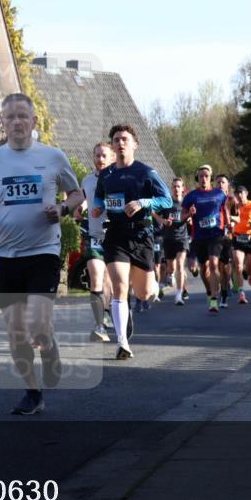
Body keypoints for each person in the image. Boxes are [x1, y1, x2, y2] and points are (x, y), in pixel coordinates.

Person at [0, 93, 82, 415]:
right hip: (4, 256)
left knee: (38, 324)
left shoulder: (53, 156)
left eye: (22, 116)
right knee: (16, 332)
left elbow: (76, 194)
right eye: (10, 117)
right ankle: (33, 393)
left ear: (33, 122)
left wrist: (61, 209)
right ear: (3, 123)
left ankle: (50, 347)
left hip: (42, 251)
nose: (16, 122)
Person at [91, 125, 171, 359]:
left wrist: (144, 203)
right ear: (113, 146)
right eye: (116, 140)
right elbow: (99, 194)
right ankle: (122, 343)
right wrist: (98, 206)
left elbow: (166, 201)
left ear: (134, 144)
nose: (120, 143)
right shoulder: (106, 175)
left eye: (125, 139)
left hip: (141, 235)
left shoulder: (146, 172)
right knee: (119, 287)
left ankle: (152, 286)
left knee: (144, 293)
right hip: (115, 234)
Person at [181, 165, 231, 314]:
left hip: (216, 235)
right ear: (198, 178)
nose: (203, 178)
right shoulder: (191, 196)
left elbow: (225, 210)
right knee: (203, 269)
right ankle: (210, 291)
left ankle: (214, 300)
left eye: (206, 176)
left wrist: (229, 225)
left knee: (214, 264)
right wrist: (189, 214)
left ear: (211, 178)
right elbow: (182, 217)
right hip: (199, 236)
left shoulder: (219, 194)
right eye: (201, 176)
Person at [78, 142, 115, 342]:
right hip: (93, 234)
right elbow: (84, 199)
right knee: (95, 277)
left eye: (104, 156)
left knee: (109, 279)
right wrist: (80, 207)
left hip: (114, 235)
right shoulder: (87, 180)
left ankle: (108, 310)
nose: (100, 159)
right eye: (97, 155)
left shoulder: (118, 179)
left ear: (111, 158)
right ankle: (99, 324)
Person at [158, 177, 191, 306]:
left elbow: (191, 216)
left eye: (179, 186)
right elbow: (155, 212)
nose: (176, 188)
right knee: (171, 269)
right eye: (174, 186)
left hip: (182, 238)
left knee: (180, 264)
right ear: (171, 188)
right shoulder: (167, 203)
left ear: (183, 188)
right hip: (168, 238)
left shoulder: (187, 203)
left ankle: (178, 296)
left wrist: (189, 219)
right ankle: (181, 283)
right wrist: (163, 221)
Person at [214, 174, 236, 308]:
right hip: (214, 237)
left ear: (227, 185)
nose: (220, 185)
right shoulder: (211, 199)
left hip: (228, 237)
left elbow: (239, 218)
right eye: (218, 182)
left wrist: (230, 221)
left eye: (223, 182)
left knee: (226, 268)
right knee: (216, 267)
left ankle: (225, 289)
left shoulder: (232, 200)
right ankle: (218, 291)